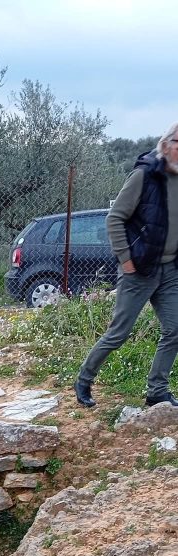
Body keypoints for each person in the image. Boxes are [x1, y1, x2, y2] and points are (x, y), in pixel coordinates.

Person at [74, 123, 178, 408]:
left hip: (169, 270)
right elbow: (114, 218)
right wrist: (126, 260)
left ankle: (157, 390)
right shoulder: (144, 176)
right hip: (139, 269)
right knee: (119, 332)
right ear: (166, 144)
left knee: (175, 329)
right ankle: (84, 379)